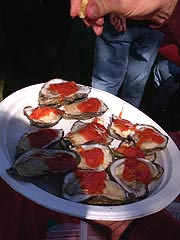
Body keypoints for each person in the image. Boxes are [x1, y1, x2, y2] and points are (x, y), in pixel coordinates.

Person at [91, 14, 163, 108]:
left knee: (106, 84)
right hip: (153, 19)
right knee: (134, 87)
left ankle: (98, 119)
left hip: (123, 15)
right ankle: (118, 119)